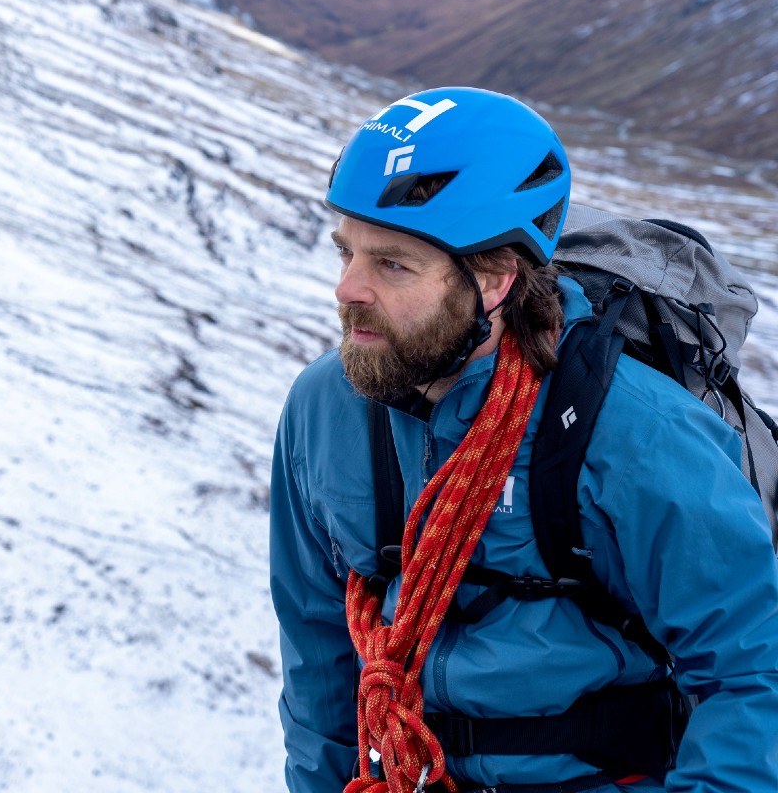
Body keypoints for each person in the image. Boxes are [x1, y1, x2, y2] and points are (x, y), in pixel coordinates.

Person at [269, 87, 778, 793]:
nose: (346, 289)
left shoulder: (637, 433)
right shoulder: (324, 409)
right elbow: (318, 655)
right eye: (346, 252)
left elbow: (751, 676)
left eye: (392, 264)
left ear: (497, 278)